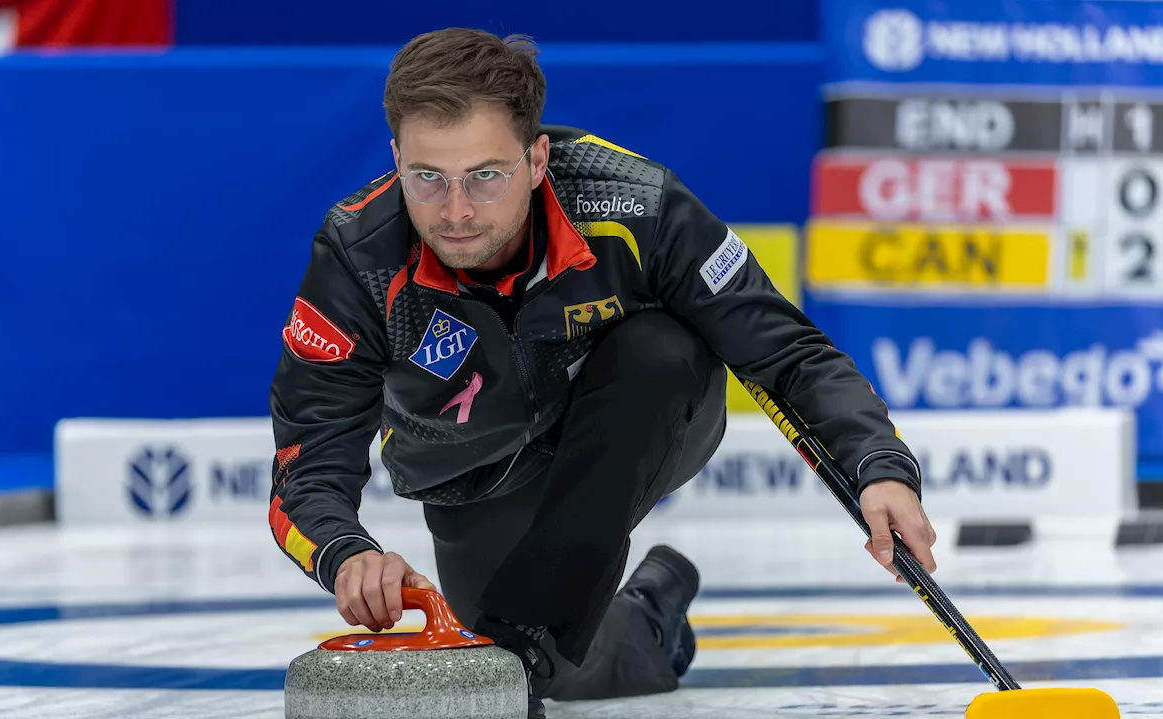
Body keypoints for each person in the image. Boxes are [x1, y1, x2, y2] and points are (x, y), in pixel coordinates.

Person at [268, 27, 937, 717]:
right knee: (565, 671)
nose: (457, 209)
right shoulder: (358, 253)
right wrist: (346, 554)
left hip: (640, 414)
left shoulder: (636, 205)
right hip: (472, 479)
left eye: (486, 175)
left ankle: (532, 629)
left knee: (660, 348)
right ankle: (651, 607)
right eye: (427, 177)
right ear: (395, 158)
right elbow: (303, 465)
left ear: (536, 159)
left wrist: (879, 464)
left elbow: (786, 349)